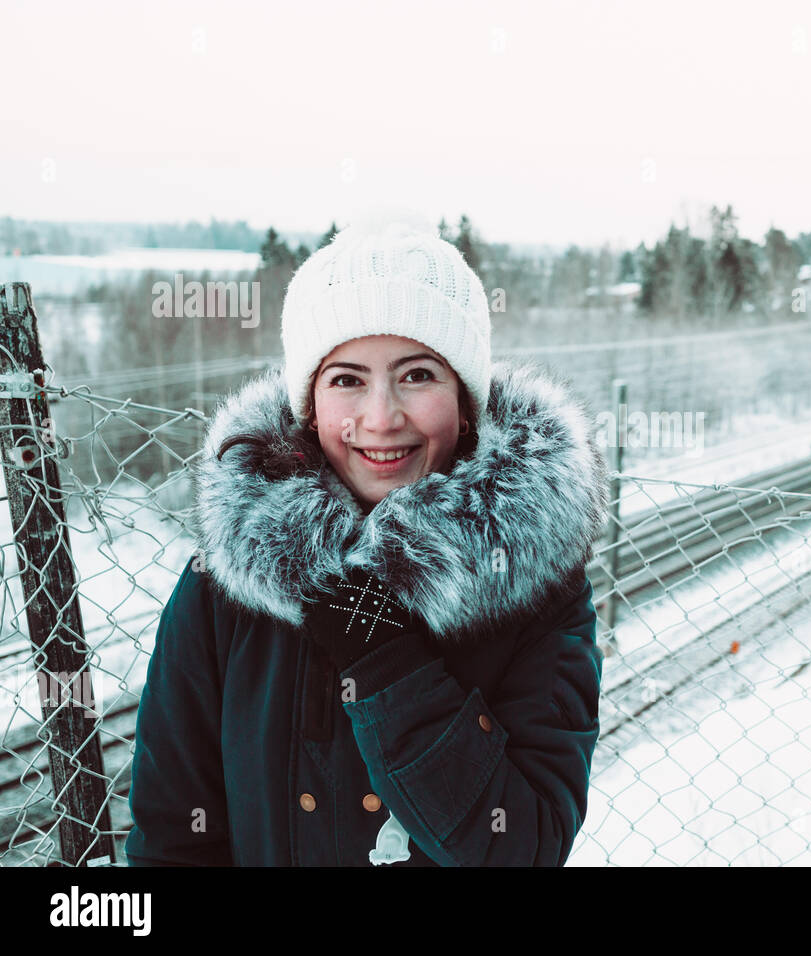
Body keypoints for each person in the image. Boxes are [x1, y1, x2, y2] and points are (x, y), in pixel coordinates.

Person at [124, 213, 609, 866]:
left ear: (466, 400)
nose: (380, 419)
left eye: (417, 375)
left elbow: (523, 845)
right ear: (310, 404)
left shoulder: (536, 590)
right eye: (347, 379)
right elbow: (173, 841)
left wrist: (388, 666)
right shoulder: (223, 587)